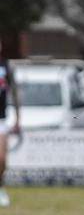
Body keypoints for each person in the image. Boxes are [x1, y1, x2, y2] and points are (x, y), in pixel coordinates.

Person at [0, 42, 20, 207]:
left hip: (1, 119)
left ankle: (1, 189)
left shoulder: (6, 65)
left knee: (1, 159)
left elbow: (14, 92)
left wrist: (18, 118)